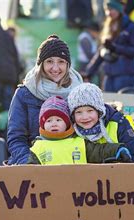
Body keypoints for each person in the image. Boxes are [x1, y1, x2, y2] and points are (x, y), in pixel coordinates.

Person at [7, 35, 83, 165]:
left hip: (70, 163)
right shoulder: (24, 93)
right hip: (34, 163)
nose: (55, 68)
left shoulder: (80, 92)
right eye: (49, 61)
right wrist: (29, 163)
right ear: (40, 64)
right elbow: (16, 138)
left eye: (61, 61)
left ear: (68, 64)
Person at [28, 96, 132, 164]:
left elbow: (99, 151)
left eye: (58, 120)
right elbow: (29, 172)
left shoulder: (78, 141)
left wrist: (118, 149)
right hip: (50, 193)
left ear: (67, 123)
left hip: (80, 192)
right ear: (43, 125)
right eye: (49, 121)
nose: (54, 124)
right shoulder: (37, 147)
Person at [67, 83, 134, 163]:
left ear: (99, 111)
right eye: (78, 112)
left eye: (90, 111)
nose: (85, 117)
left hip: (117, 172)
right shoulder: (72, 131)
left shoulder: (118, 123)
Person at [85, 0, 134, 92]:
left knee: (122, 103)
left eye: (111, 9)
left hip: (124, 74)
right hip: (109, 74)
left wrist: (116, 48)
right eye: (106, 10)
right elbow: (101, 52)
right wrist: (89, 72)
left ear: (119, 9)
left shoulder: (130, 27)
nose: (108, 13)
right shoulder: (108, 26)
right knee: (108, 104)